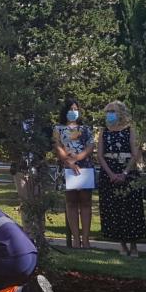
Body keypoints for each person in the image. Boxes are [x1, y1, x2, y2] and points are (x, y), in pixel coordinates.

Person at [96, 101, 146, 257]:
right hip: (108, 173)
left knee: (131, 208)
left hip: (128, 172)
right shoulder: (104, 132)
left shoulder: (130, 130)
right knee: (114, 209)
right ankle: (122, 245)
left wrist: (124, 173)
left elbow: (135, 152)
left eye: (113, 111)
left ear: (121, 113)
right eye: (108, 111)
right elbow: (100, 155)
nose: (109, 114)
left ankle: (134, 246)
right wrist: (111, 174)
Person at [54, 99, 95, 249]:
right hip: (66, 168)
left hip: (84, 167)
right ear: (65, 111)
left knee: (85, 203)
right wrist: (68, 161)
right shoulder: (58, 128)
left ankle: (86, 240)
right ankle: (76, 240)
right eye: (70, 109)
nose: (73, 111)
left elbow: (91, 145)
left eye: (75, 109)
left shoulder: (86, 129)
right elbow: (57, 146)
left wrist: (77, 158)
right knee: (71, 203)